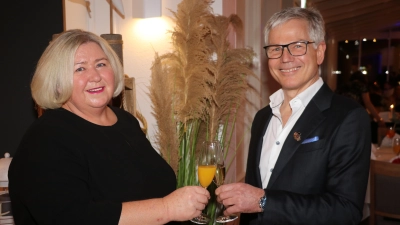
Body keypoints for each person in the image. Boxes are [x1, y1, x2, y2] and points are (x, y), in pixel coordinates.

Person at [8, 29, 210, 225]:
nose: (95, 76)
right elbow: (71, 217)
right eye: (80, 68)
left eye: (101, 64)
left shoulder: (125, 121)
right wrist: (166, 209)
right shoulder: (46, 139)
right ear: (57, 83)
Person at [215, 7, 371, 225]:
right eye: (276, 48)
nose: (285, 58)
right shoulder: (262, 118)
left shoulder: (349, 117)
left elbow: (346, 211)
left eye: (298, 46)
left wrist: (263, 201)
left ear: (319, 52)